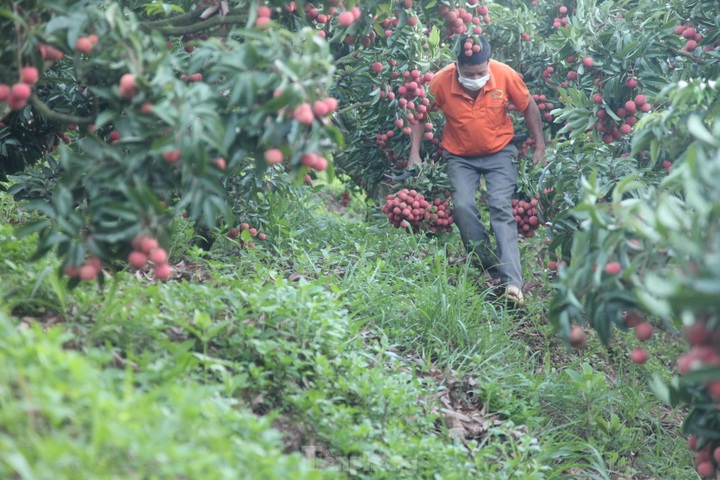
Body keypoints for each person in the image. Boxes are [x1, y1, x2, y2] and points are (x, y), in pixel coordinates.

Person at [408, 35, 546, 307]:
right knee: (462, 207)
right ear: (457, 66)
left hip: (500, 152)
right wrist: (414, 153)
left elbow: (528, 105)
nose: (476, 77)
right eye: (469, 73)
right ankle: (493, 267)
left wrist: (540, 145)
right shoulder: (441, 80)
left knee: (500, 207)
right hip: (459, 156)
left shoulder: (504, 74)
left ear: (488, 64)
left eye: (481, 72)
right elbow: (419, 113)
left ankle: (513, 285)